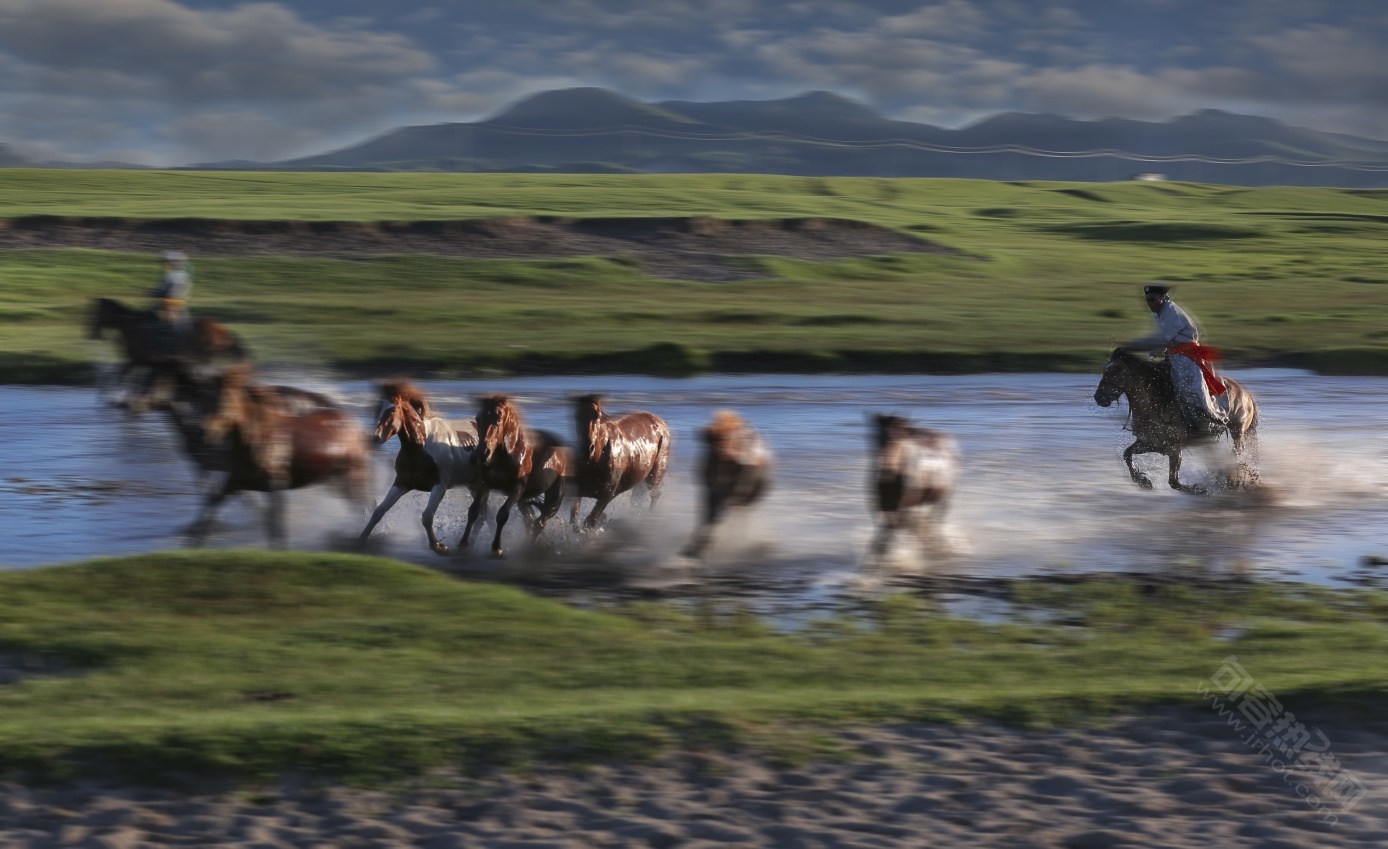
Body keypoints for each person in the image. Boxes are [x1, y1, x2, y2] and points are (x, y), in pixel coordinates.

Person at [1125, 283, 1228, 435]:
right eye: (1147, 300)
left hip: (1187, 357)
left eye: (1152, 299)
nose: (1150, 304)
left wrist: (1133, 346)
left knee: (1190, 388)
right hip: (1175, 354)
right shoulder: (1162, 311)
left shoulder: (1171, 311)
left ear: (1162, 298)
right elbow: (1168, 339)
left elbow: (1162, 338)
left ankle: (1211, 419)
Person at [150, 250, 193, 349]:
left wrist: (156, 293)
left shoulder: (172, 275)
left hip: (170, 302)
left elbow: (167, 289)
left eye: (166, 262)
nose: (164, 264)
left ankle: (160, 336)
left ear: (173, 262)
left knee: (154, 313)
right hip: (181, 302)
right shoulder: (184, 274)